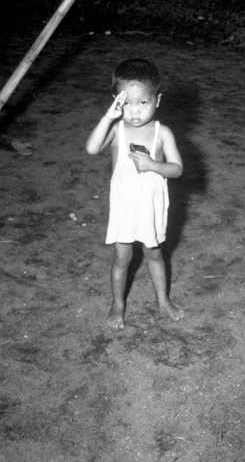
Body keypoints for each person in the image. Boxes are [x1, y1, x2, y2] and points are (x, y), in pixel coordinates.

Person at [86, 58, 184, 329]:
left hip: (150, 206)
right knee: (122, 258)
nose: (135, 111)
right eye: (127, 102)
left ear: (157, 100)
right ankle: (118, 303)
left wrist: (153, 165)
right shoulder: (117, 130)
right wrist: (109, 116)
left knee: (154, 254)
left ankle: (163, 300)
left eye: (143, 102)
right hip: (125, 206)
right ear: (116, 101)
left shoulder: (162, 133)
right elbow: (92, 148)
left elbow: (177, 169)